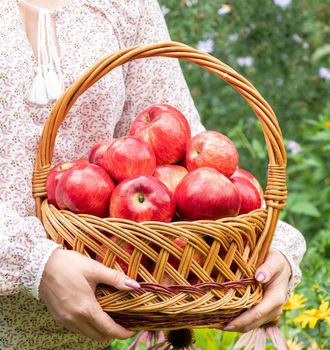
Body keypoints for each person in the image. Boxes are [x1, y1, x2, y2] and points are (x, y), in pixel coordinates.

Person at [0, 0, 306, 349]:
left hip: (86, 333)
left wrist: (271, 243)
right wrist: (34, 263)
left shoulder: (124, 4)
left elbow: (183, 158)